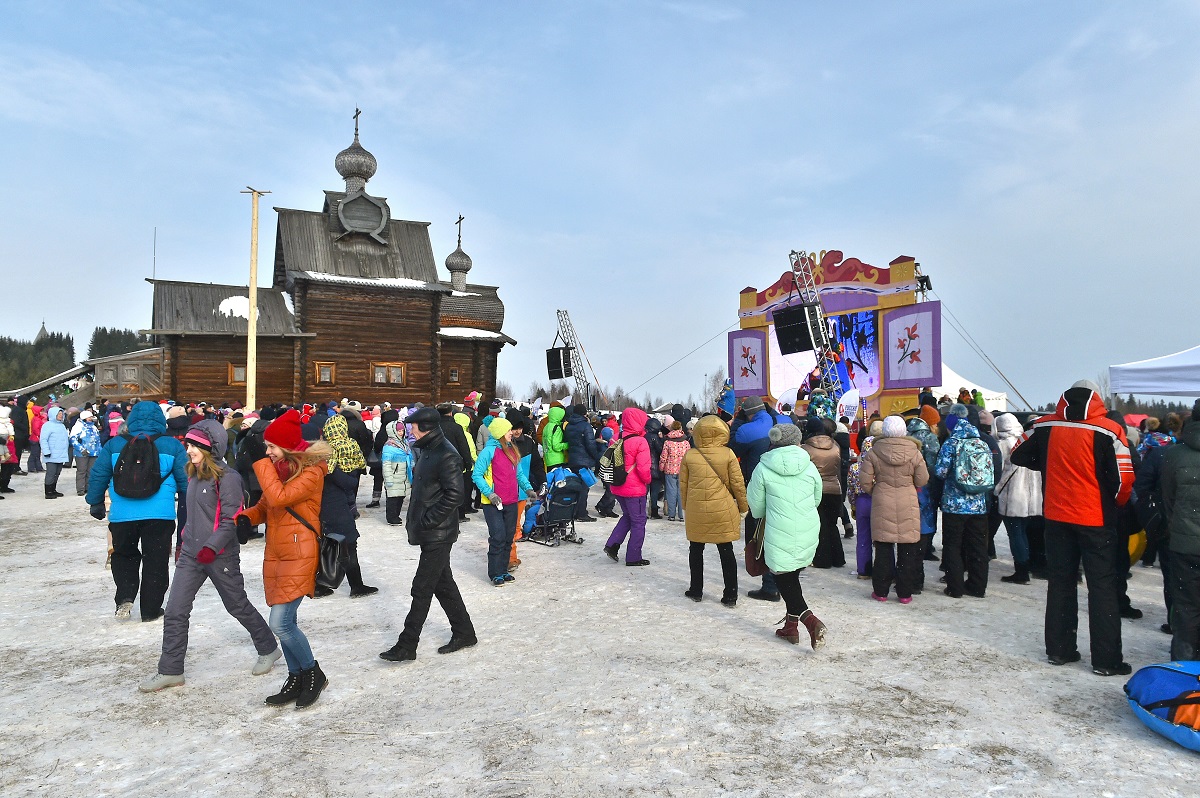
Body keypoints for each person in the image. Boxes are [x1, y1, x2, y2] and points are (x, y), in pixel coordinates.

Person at [139, 421, 281, 693]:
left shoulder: (229, 478)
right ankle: (170, 670)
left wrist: (211, 547)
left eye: (194, 446)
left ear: (209, 448)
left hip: (220, 556)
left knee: (237, 605)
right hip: (191, 555)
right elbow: (194, 516)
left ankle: (268, 648)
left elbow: (231, 519)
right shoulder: (193, 474)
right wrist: (185, 540)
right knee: (175, 611)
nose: (188, 450)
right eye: (188, 445)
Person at [1011, 380, 1134, 676]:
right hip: (1095, 518)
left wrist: (1048, 463)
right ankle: (1106, 660)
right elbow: (1124, 480)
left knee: (1061, 582)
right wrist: (1114, 504)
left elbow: (1017, 453)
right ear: (1097, 399)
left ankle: (1059, 649)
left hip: (1056, 515)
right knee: (1102, 587)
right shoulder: (1109, 430)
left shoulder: (1043, 425)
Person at [236, 409, 330, 707]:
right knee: (287, 621)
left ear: (287, 447)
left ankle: (313, 673)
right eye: (266, 448)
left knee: (281, 623)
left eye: (272, 447)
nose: (268, 453)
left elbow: (279, 497)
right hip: (278, 554)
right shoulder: (279, 471)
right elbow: (267, 506)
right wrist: (246, 518)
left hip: (300, 552)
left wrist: (260, 463)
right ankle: (296, 676)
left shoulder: (312, 472)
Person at [380, 407, 476, 661]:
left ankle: (407, 644)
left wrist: (429, 520)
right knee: (443, 584)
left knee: (422, 587)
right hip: (431, 531)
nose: (410, 432)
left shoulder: (446, 454)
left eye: (413, 427)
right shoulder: (429, 449)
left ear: (425, 427)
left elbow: (455, 495)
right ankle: (465, 632)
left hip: (438, 533)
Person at [86, 400, 189, 621]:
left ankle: (125, 596)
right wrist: (190, 505)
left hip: (122, 514)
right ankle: (151, 609)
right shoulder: (172, 445)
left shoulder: (114, 445)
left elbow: (99, 474)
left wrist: (95, 501)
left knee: (124, 555)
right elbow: (185, 479)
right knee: (156, 560)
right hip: (160, 515)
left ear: (131, 420)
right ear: (161, 420)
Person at [746, 424, 827, 650]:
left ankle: (811, 622)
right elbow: (817, 498)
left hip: (778, 529)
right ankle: (790, 628)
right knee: (792, 576)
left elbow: (756, 508)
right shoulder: (809, 465)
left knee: (783, 578)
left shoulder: (763, 467)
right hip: (807, 527)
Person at [679, 415, 747, 605]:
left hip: (697, 507)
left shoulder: (690, 455)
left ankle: (696, 589)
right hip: (722, 508)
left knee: (696, 549)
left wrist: (686, 506)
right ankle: (730, 594)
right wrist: (743, 507)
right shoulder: (728, 454)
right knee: (726, 550)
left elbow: (683, 485)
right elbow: (737, 484)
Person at [860, 416, 929, 602]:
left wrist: (877, 490)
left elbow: (865, 481)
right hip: (908, 501)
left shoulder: (874, 451)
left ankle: (881, 591)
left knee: (883, 548)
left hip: (882, 500)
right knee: (907, 549)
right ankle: (905, 592)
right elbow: (922, 479)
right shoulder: (914, 452)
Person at [934, 404, 994, 599]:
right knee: (978, 547)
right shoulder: (981, 442)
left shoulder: (951, 443)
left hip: (955, 505)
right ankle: (977, 587)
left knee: (953, 546)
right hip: (978, 505)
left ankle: (955, 587)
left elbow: (940, 472)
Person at [317, 414, 376, 598]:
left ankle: (323, 584)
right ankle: (352, 586)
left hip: (328, 506)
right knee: (347, 545)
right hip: (335, 506)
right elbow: (348, 483)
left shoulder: (322, 451)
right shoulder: (332, 457)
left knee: (330, 545)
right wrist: (350, 473)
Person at [472, 416, 535, 586]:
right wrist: (490, 494)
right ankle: (495, 573)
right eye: (508, 430)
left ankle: (503, 570)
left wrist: (528, 489)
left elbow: (519, 474)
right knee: (498, 537)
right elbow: (476, 475)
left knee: (508, 537)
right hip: (493, 502)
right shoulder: (488, 452)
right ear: (499, 432)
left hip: (511, 500)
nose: (511, 433)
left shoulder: (512, 449)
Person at [730, 396, 779, 600]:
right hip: (783, 487)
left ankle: (768, 583)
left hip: (757, 484)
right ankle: (781, 581)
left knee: (760, 532)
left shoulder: (746, 430)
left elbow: (733, 448)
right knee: (778, 532)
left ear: (748, 413)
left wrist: (737, 423)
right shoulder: (782, 422)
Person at [1162, 400, 1200, 659]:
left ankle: (1184, 667)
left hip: (1184, 544)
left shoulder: (1174, 455)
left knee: (1186, 608)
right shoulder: (1174, 454)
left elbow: (1168, 500)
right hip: (1184, 540)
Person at [993, 412, 1042, 585]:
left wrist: (996, 490)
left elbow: (998, 471)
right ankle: (1027, 567)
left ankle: (1021, 572)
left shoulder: (1003, 444)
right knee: (1024, 533)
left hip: (1012, 497)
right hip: (1032, 497)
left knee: (1015, 535)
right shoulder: (1027, 441)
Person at [603, 407, 653, 566]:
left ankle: (612, 545)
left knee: (627, 516)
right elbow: (643, 469)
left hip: (617, 485)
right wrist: (648, 480)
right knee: (638, 521)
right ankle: (633, 557)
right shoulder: (640, 441)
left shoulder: (615, 438)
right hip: (634, 489)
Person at [802, 417, 846, 569]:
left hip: (815, 490)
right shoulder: (835, 446)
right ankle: (838, 558)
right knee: (832, 524)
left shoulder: (806, 449)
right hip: (834, 488)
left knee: (820, 525)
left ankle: (823, 560)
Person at [563, 404, 601, 522]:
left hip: (572, 459)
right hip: (584, 460)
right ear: (584, 413)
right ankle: (581, 513)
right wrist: (596, 457)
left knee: (575, 486)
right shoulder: (586, 425)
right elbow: (590, 444)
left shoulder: (569, 425)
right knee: (584, 488)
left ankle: (573, 511)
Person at [845, 436, 875, 579]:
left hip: (862, 501)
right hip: (879, 500)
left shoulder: (855, 467)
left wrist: (853, 505)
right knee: (883, 539)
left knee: (863, 537)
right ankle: (887, 571)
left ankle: (863, 570)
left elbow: (850, 489)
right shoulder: (881, 466)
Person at [381, 419, 413, 526]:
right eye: (398, 431)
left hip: (404, 475)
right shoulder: (389, 446)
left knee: (400, 496)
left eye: (402, 430)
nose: (401, 433)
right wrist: (388, 479)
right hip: (394, 475)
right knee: (393, 497)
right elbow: (386, 464)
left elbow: (409, 456)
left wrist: (412, 465)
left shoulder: (404, 443)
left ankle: (396, 515)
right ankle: (391, 517)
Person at [660, 421, 691, 522]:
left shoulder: (667, 442)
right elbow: (689, 458)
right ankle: (682, 515)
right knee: (681, 492)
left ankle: (671, 515)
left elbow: (663, 457)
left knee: (671, 492)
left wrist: (661, 468)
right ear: (681, 428)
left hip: (670, 470)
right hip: (683, 470)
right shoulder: (686, 443)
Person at [69, 409, 102, 497]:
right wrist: (81, 449)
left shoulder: (93, 427)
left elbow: (98, 440)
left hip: (94, 453)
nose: (91, 419)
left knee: (91, 471)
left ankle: (88, 487)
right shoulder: (78, 427)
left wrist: (100, 450)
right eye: (89, 417)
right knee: (82, 471)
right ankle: (80, 489)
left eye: (91, 417)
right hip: (81, 453)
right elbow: (73, 439)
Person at [40, 404, 69, 499]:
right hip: (51, 454)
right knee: (51, 473)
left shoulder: (62, 426)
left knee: (57, 473)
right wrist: (46, 451)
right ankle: (48, 492)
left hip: (61, 454)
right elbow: (43, 439)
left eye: (61, 413)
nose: (61, 415)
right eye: (58, 414)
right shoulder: (47, 425)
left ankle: (53, 489)